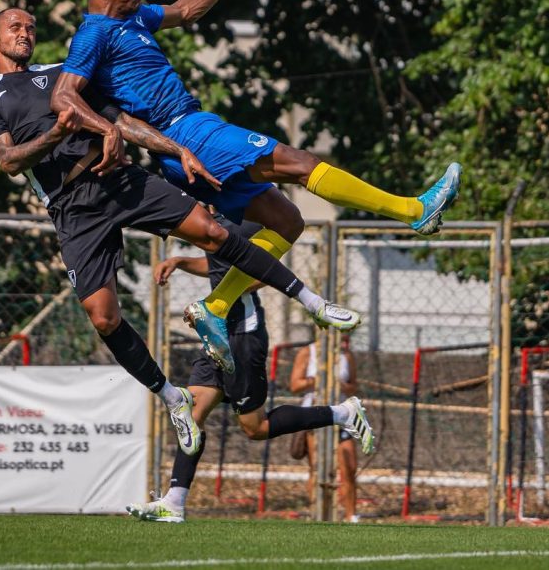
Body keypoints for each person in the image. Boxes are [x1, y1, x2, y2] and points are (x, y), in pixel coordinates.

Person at [0, 7, 363, 455]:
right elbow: (8, 161)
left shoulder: (64, 75)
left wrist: (179, 149)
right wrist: (57, 134)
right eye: (15, 27)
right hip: (72, 208)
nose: (25, 32)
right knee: (104, 317)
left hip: (119, 180)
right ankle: (171, 397)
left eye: (30, 26)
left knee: (213, 232)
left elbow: (122, 123)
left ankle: (311, 301)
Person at [49, 0, 460, 366]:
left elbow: (187, 10)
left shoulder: (135, 19)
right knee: (298, 162)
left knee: (287, 221)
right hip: (186, 133)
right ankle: (413, 211)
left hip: (191, 134)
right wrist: (106, 129)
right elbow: (62, 95)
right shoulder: (93, 34)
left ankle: (216, 307)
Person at [126, 215, 375, 523]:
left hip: (244, 335)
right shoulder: (208, 217)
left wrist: (217, 298)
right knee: (190, 415)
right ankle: (174, 502)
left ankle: (342, 413)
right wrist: (180, 261)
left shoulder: (249, 218)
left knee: (255, 428)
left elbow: (266, 272)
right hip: (213, 334)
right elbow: (218, 268)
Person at [290, 335, 362, 523]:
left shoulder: (347, 356)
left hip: (342, 416)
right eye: (342, 339)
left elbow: (354, 386)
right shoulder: (308, 352)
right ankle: (319, 513)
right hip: (315, 413)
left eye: (347, 340)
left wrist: (342, 385)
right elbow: (295, 385)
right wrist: (318, 380)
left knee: (349, 466)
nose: (346, 344)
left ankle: (350, 515)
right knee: (318, 467)